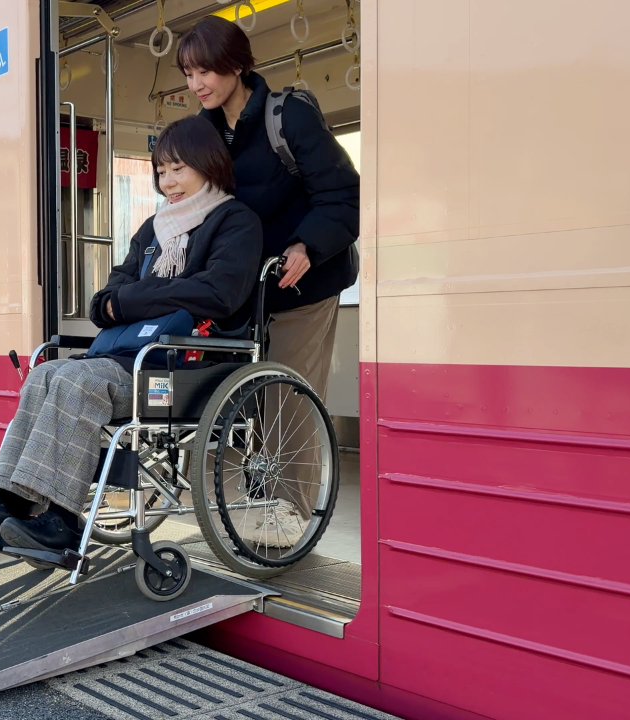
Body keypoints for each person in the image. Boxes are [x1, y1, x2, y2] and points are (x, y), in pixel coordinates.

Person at [0, 116, 263, 552]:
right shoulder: (155, 229)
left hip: (183, 365)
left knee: (77, 383)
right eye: (161, 171)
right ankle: (9, 503)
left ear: (208, 164)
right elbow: (103, 300)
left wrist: (132, 298)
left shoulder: (236, 222)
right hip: (129, 358)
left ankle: (61, 521)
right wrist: (139, 298)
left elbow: (217, 294)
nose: (168, 182)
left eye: (178, 169)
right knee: (43, 375)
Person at [177, 16, 360, 546]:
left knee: (290, 391)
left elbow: (343, 194)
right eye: (188, 74)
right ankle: (253, 498)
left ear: (237, 64)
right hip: (244, 289)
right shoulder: (203, 131)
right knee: (242, 395)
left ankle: (292, 510)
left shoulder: (289, 117)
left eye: (206, 70)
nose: (197, 84)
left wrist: (306, 244)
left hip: (307, 281)